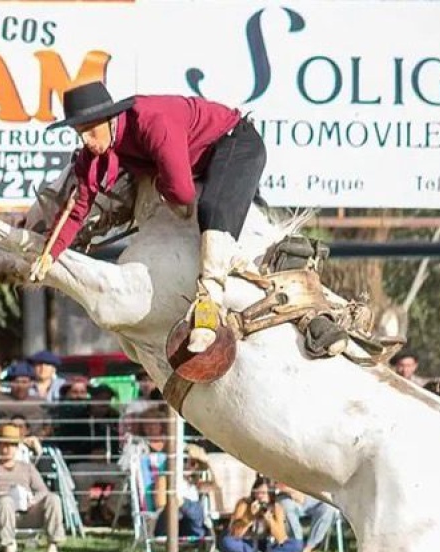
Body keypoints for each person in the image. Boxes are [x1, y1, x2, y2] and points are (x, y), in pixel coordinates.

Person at [34, 80, 267, 354]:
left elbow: (180, 191)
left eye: (89, 129)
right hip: (201, 162)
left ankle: (208, 307)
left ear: (109, 119)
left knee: (211, 209)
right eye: (79, 133)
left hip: (236, 143)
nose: (85, 140)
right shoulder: (93, 153)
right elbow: (78, 207)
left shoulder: (151, 120)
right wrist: (51, 253)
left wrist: (158, 184)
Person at [0, 423, 65, 552]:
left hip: (27, 512)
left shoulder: (27, 467)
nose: (7, 449)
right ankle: (9, 548)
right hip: (1, 513)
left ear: (17, 447)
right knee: (6, 501)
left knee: (53, 498)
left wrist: (33, 500)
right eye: (3, 444)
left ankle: (53, 545)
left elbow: (42, 490)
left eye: (11, 445)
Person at [219, 476, 302, 552]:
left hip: (266, 544)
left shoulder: (276, 508)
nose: (260, 496)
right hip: (245, 541)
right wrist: (250, 517)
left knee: (296, 545)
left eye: (263, 493)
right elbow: (235, 534)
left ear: (270, 495)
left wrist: (270, 519)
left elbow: (281, 539)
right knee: (227, 541)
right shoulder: (244, 504)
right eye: (257, 493)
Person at [275, 482, 339, 552]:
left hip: (310, 495)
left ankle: (308, 548)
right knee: (287, 508)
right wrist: (294, 492)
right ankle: (297, 547)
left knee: (329, 508)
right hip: (286, 494)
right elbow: (276, 483)